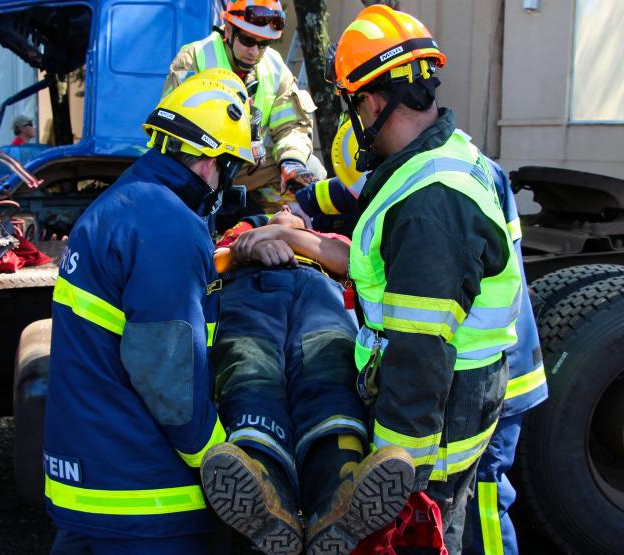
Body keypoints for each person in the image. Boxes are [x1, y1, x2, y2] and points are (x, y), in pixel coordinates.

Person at [330, 6, 523, 554]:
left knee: (426, 532)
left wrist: (397, 480)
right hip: (462, 391)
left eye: (353, 106)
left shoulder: (428, 203)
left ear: (370, 100)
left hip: (434, 414)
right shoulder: (449, 157)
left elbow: (418, 355)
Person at [42, 69, 254, 554]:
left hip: (94, 484)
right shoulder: (168, 227)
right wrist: (219, 461)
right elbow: (170, 377)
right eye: (229, 167)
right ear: (206, 161)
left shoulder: (122, 205)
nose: (227, 182)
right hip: (144, 502)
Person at [201, 206, 415, 555]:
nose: (284, 208)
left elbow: (349, 262)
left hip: (320, 292)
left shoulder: (328, 239)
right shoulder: (237, 237)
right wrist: (245, 249)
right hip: (246, 289)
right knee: (250, 365)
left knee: (329, 367)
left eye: (291, 210)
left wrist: (286, 236)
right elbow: (205, 265)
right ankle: (263, 481)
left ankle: (338, 486)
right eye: (274, 212)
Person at [163, 0, 325, 217]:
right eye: (248, 40)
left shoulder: (275, 68)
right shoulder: (195, 58)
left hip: (248, 170)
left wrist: (292, 161)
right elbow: (173, 128)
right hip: (202, 164)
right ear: (228, 30)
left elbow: (291, 125)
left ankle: (271, 232)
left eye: (264, 43)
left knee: (311, 170)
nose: (255, 52)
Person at [461, 160, 548, 555]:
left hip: (498, 372)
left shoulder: (442, 177)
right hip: (505, 364)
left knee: (485, 498)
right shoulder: (476, 163)